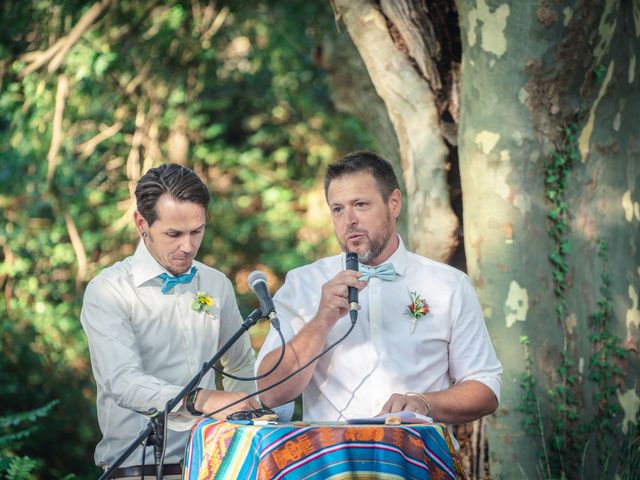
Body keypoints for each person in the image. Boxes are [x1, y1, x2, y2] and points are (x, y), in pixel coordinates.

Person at [256, 151, 502, 427]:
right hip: (333, 461)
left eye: (360, 205)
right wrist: (321, 321)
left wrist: (425, 403)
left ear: (394, 203)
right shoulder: (303, 284)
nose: (349, 220)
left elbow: (485, 388)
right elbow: (269, 393)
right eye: (338, 209)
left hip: (417, 459)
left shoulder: (449, 285)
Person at [81, 164, 259, 478]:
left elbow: (240, 366)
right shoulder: (108, 290)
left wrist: (245, 432)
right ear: (141, 223)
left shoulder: (216, 284)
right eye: (174, 234)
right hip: (138, 469)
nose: (188, 246)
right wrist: (200, 400)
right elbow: (122, 381)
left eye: (197, 231)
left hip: (214, 466)